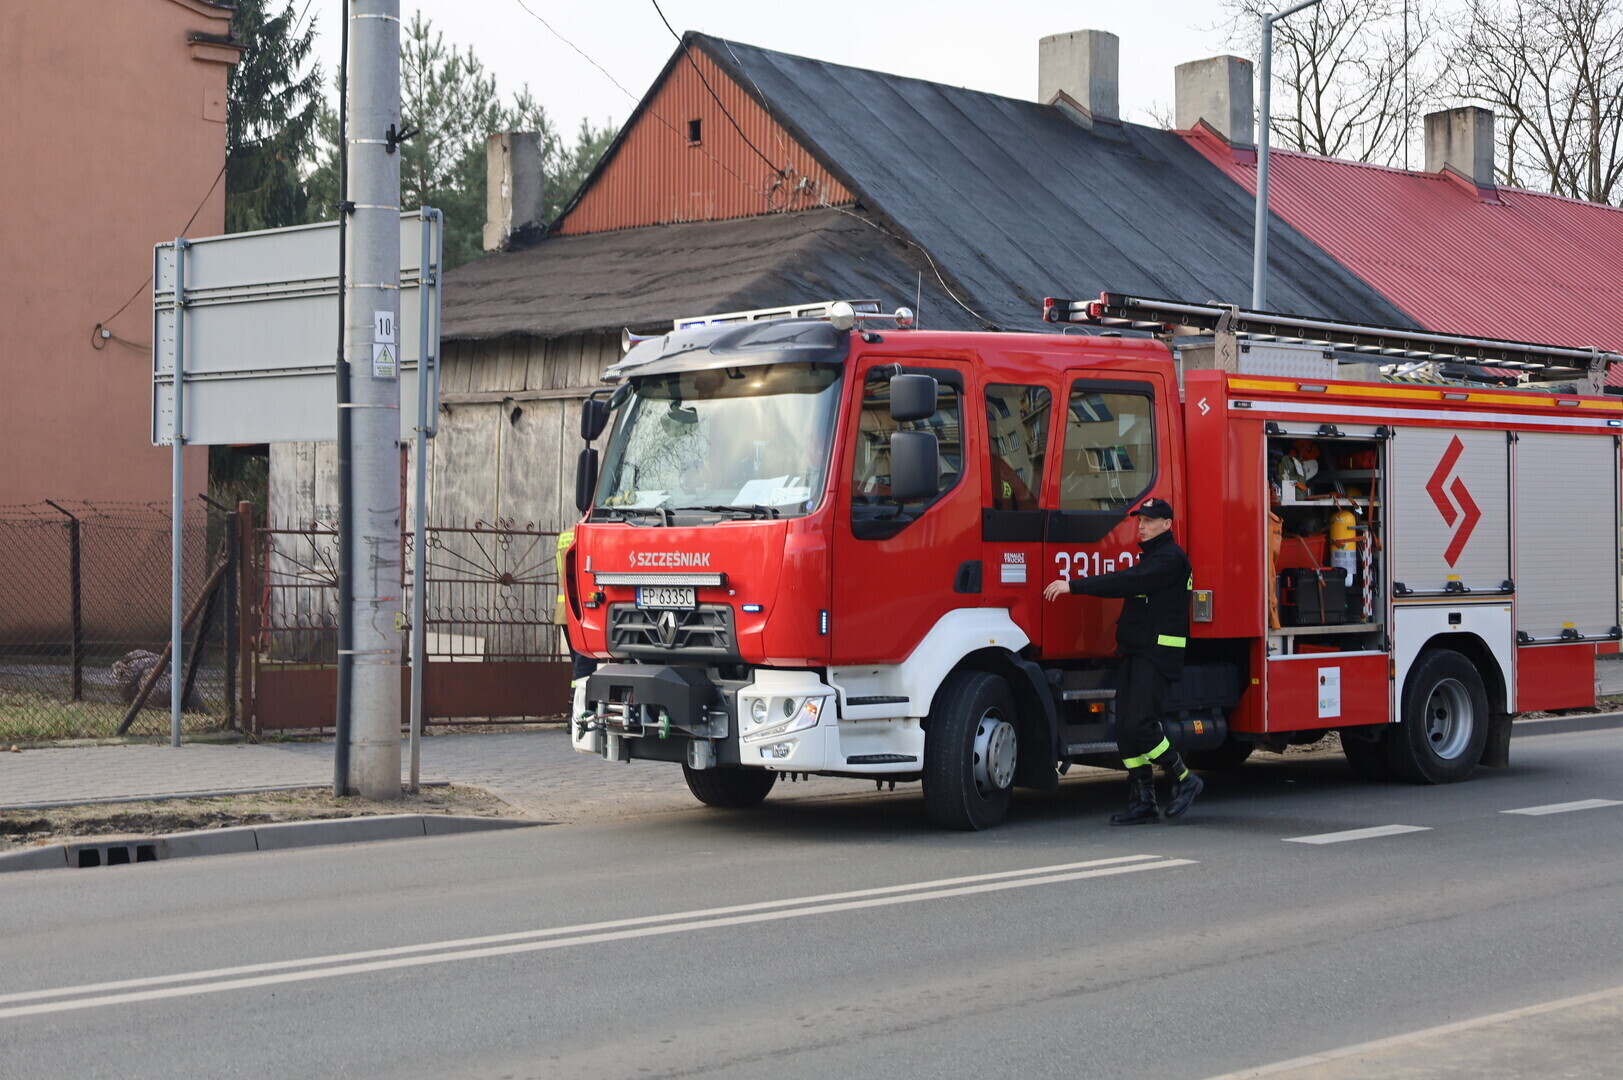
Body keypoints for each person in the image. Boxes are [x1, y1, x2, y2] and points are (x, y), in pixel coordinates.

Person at [1042, 496, 1203, 824]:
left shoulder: (1171, 559)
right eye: (1139, 520)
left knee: (1139, 724)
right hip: (1137, 649)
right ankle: (1143, 799)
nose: (1141, 527)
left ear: (1167, 525)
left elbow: (1126, 582)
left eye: (1148, 521)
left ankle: (1184, 778)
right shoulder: (1155, 557)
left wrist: (1073, 585)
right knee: (1125, 731)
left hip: (1156, 654)